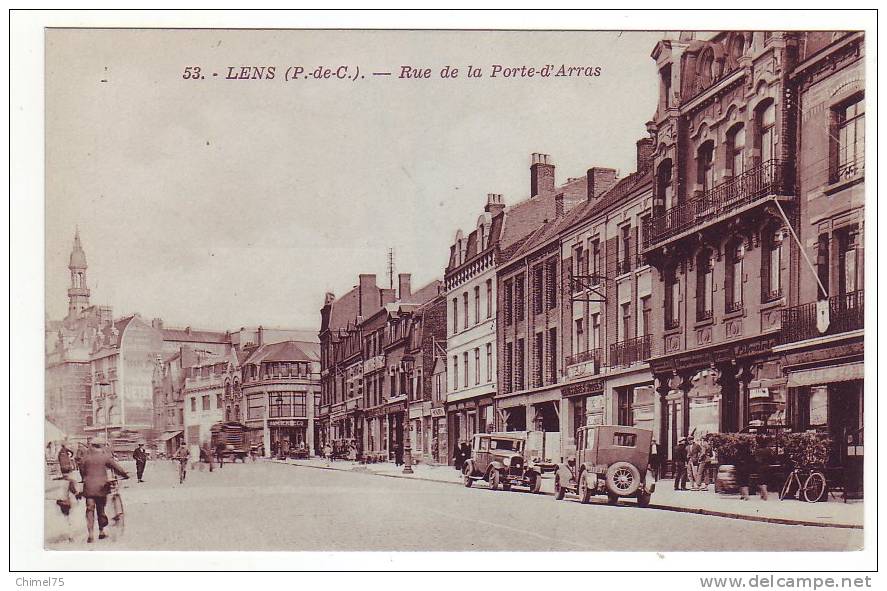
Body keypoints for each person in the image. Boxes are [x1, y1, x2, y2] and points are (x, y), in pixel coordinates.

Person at [78, 436, 129, 543]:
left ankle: (91, 534)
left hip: (88, 487)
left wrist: (85, 479)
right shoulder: (104, 457)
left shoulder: (85, 458)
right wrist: (125, 475)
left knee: (89, 509)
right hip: (102, 487)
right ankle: (101, 531)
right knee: (101, 509)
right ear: (101, 446)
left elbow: (81, 471)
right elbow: (116, 468)